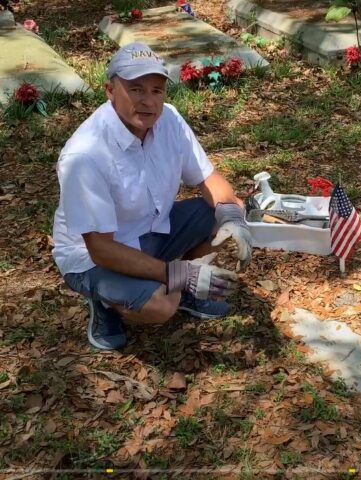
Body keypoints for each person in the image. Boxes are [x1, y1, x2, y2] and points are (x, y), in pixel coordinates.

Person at [52, 42, 252, 351]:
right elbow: (101, 249)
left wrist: (233, 217)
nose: (148, 102)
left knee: (224, 208)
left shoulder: (168, 120)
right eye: (136, 89)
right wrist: (177, 273)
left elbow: (209, 179)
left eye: (157, 90)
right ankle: (105, 302)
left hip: (151, 229)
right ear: (109, 89)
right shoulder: (86, 155)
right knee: (161, 306)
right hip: (92, 259)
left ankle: (178, 285)